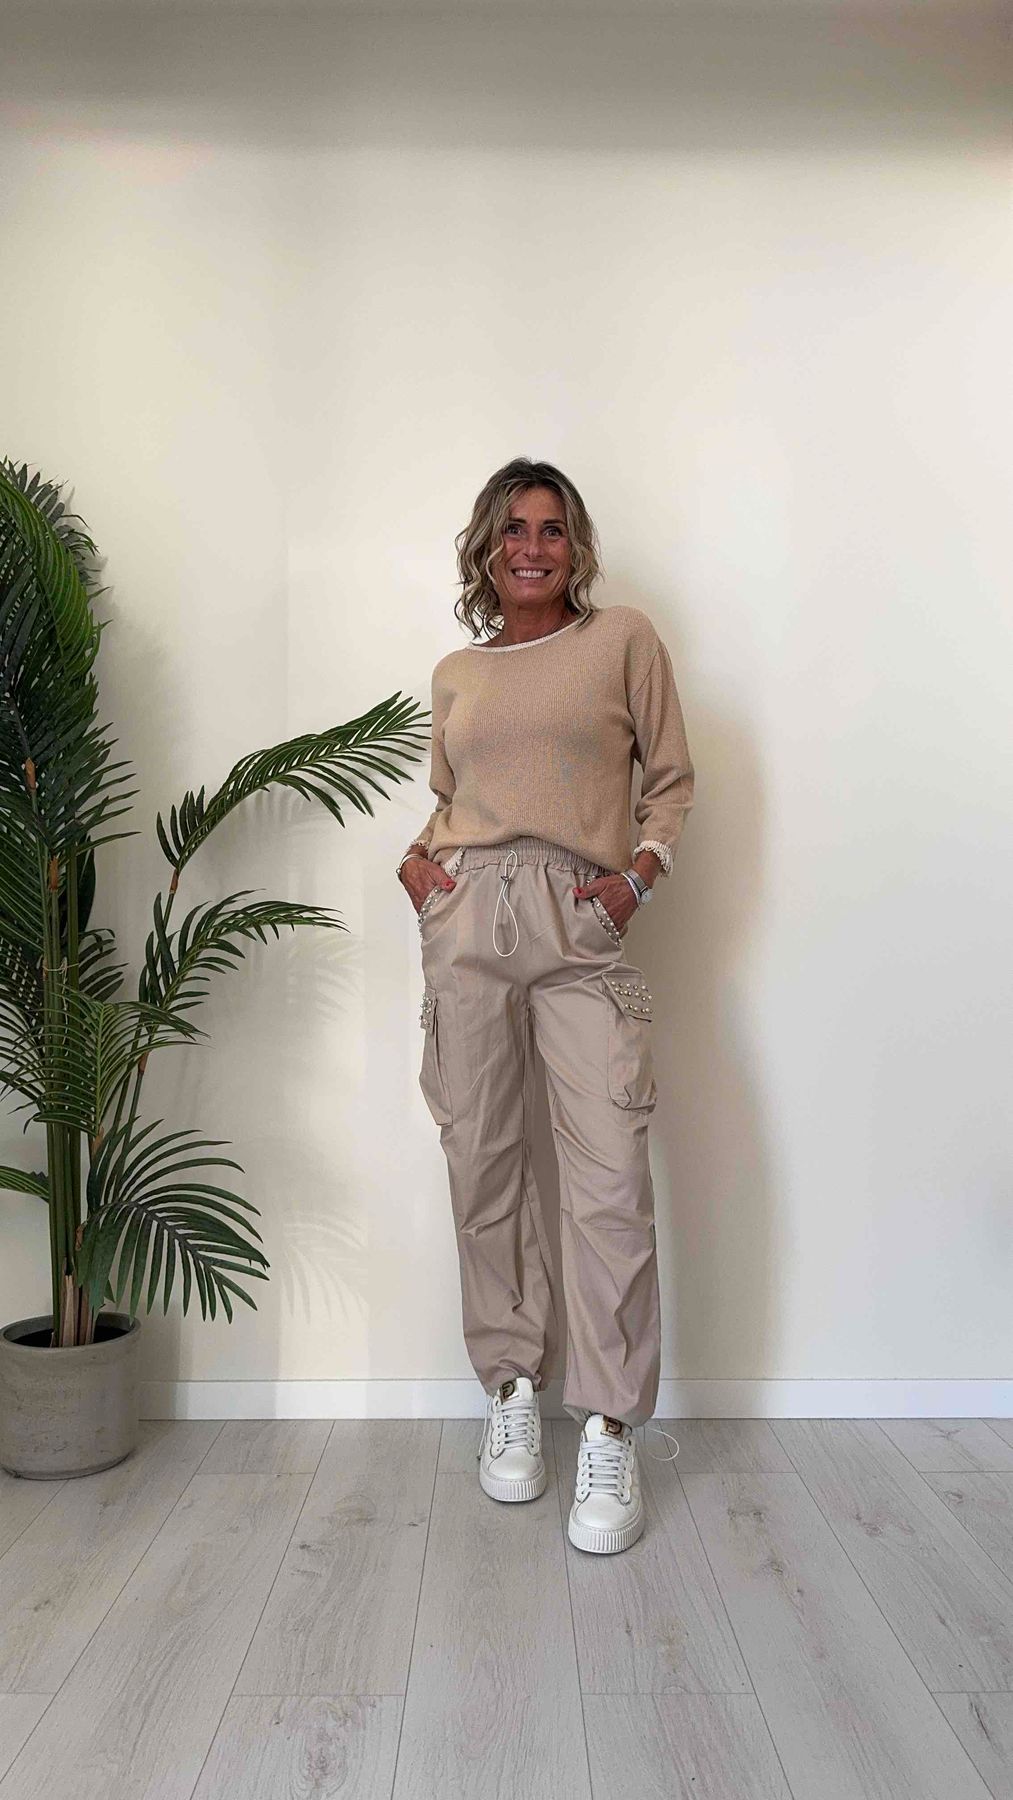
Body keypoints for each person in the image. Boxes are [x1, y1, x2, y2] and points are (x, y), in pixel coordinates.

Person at [397, 457, 694, 1555]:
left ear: (576, 548)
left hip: (579, 919)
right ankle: (512, 1388)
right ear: (485, 548)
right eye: (514, 529)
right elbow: (452, 800)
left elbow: (669, 780)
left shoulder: (621, 641)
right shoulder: (457, 672)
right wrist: (417, 865)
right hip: (466, 916)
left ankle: (608, 1423)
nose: (532, 546)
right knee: (482, 1162)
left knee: (608, 1177)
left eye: (552, 529)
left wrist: (639, 875)